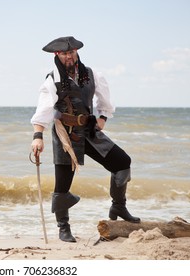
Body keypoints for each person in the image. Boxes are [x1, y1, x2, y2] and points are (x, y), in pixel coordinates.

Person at [30, 36, 140, 243]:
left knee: (123, 162)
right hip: (66, 135)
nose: (69, 56)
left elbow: (104, 100)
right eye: (64, 53)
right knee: (62, 186)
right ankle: (63, 228)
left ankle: (118, 206)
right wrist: (38, 137)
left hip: (89, 131)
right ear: (57, 55)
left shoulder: (91, 74)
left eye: (71, 52)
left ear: (76, 52)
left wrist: (103, 118)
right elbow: (44, 110)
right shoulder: (52, 79)